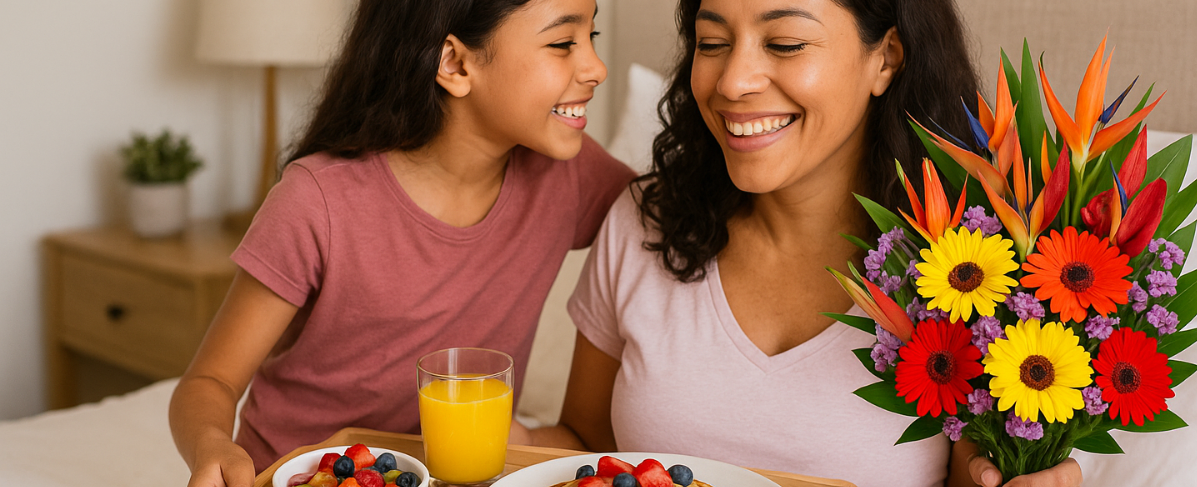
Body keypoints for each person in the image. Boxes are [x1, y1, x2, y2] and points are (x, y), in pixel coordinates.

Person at [510, 0, 1081, 486]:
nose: (733, 82)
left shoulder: (977, 272)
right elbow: (586, 448)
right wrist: (488, 435)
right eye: (712, 42)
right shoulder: (645, 219)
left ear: (885, 58)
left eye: (784, 43)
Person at [169, 0, 635, 485]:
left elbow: (682, 220)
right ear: (454, 63)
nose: (596, 68)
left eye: (592, 37)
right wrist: (213, 447)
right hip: (299, 475)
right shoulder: (317, 201)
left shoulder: (571, 179)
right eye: (562, 43)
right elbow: (210, 382)